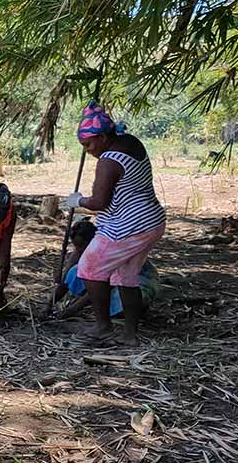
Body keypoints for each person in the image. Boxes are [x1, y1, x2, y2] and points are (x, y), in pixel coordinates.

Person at [64, 102, 166, 345]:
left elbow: (99, 202)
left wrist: (78, 200)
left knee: (88, 269)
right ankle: (129, 334)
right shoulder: (130, 142)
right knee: (126, 276)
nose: (87, 150)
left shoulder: (108, 161)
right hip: (151, 221)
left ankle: (103, 326)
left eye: (88, 144)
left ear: (102, 137)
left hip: (127, 227)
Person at [56, 219, 159, 321]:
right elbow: (66, 279)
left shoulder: (111, 248)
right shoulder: (84, 247)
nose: (81, 251)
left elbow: (106, 284)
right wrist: (52, 300)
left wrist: (74, 308)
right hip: (111, 282)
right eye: (77, 247)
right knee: (75, 271)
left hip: (139, 280)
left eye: (83, 247)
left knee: (124, 307)